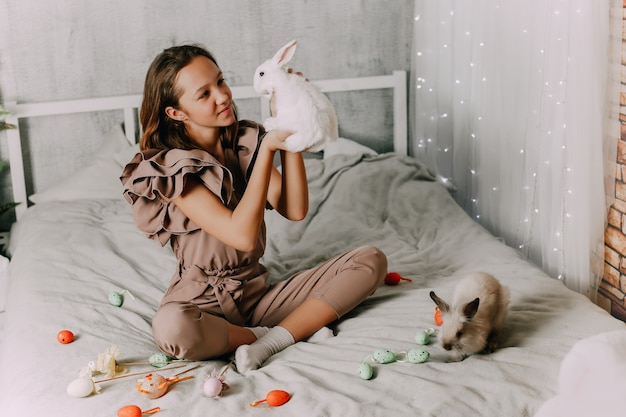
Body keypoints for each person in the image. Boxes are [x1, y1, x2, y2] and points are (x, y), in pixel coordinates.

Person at [120, 44, 387, 373]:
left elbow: (294, 208)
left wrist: (289, 128)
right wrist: (267, 151)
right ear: (176, 113)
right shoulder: (172, 169)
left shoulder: (243, 142)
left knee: (370, 261)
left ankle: (268, 341)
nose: (222, 96)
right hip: (201, 302)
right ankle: (269, 336)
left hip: (256, 295)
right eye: (204, 94)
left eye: (220, 82)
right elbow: (242, 236)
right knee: (171, 327)